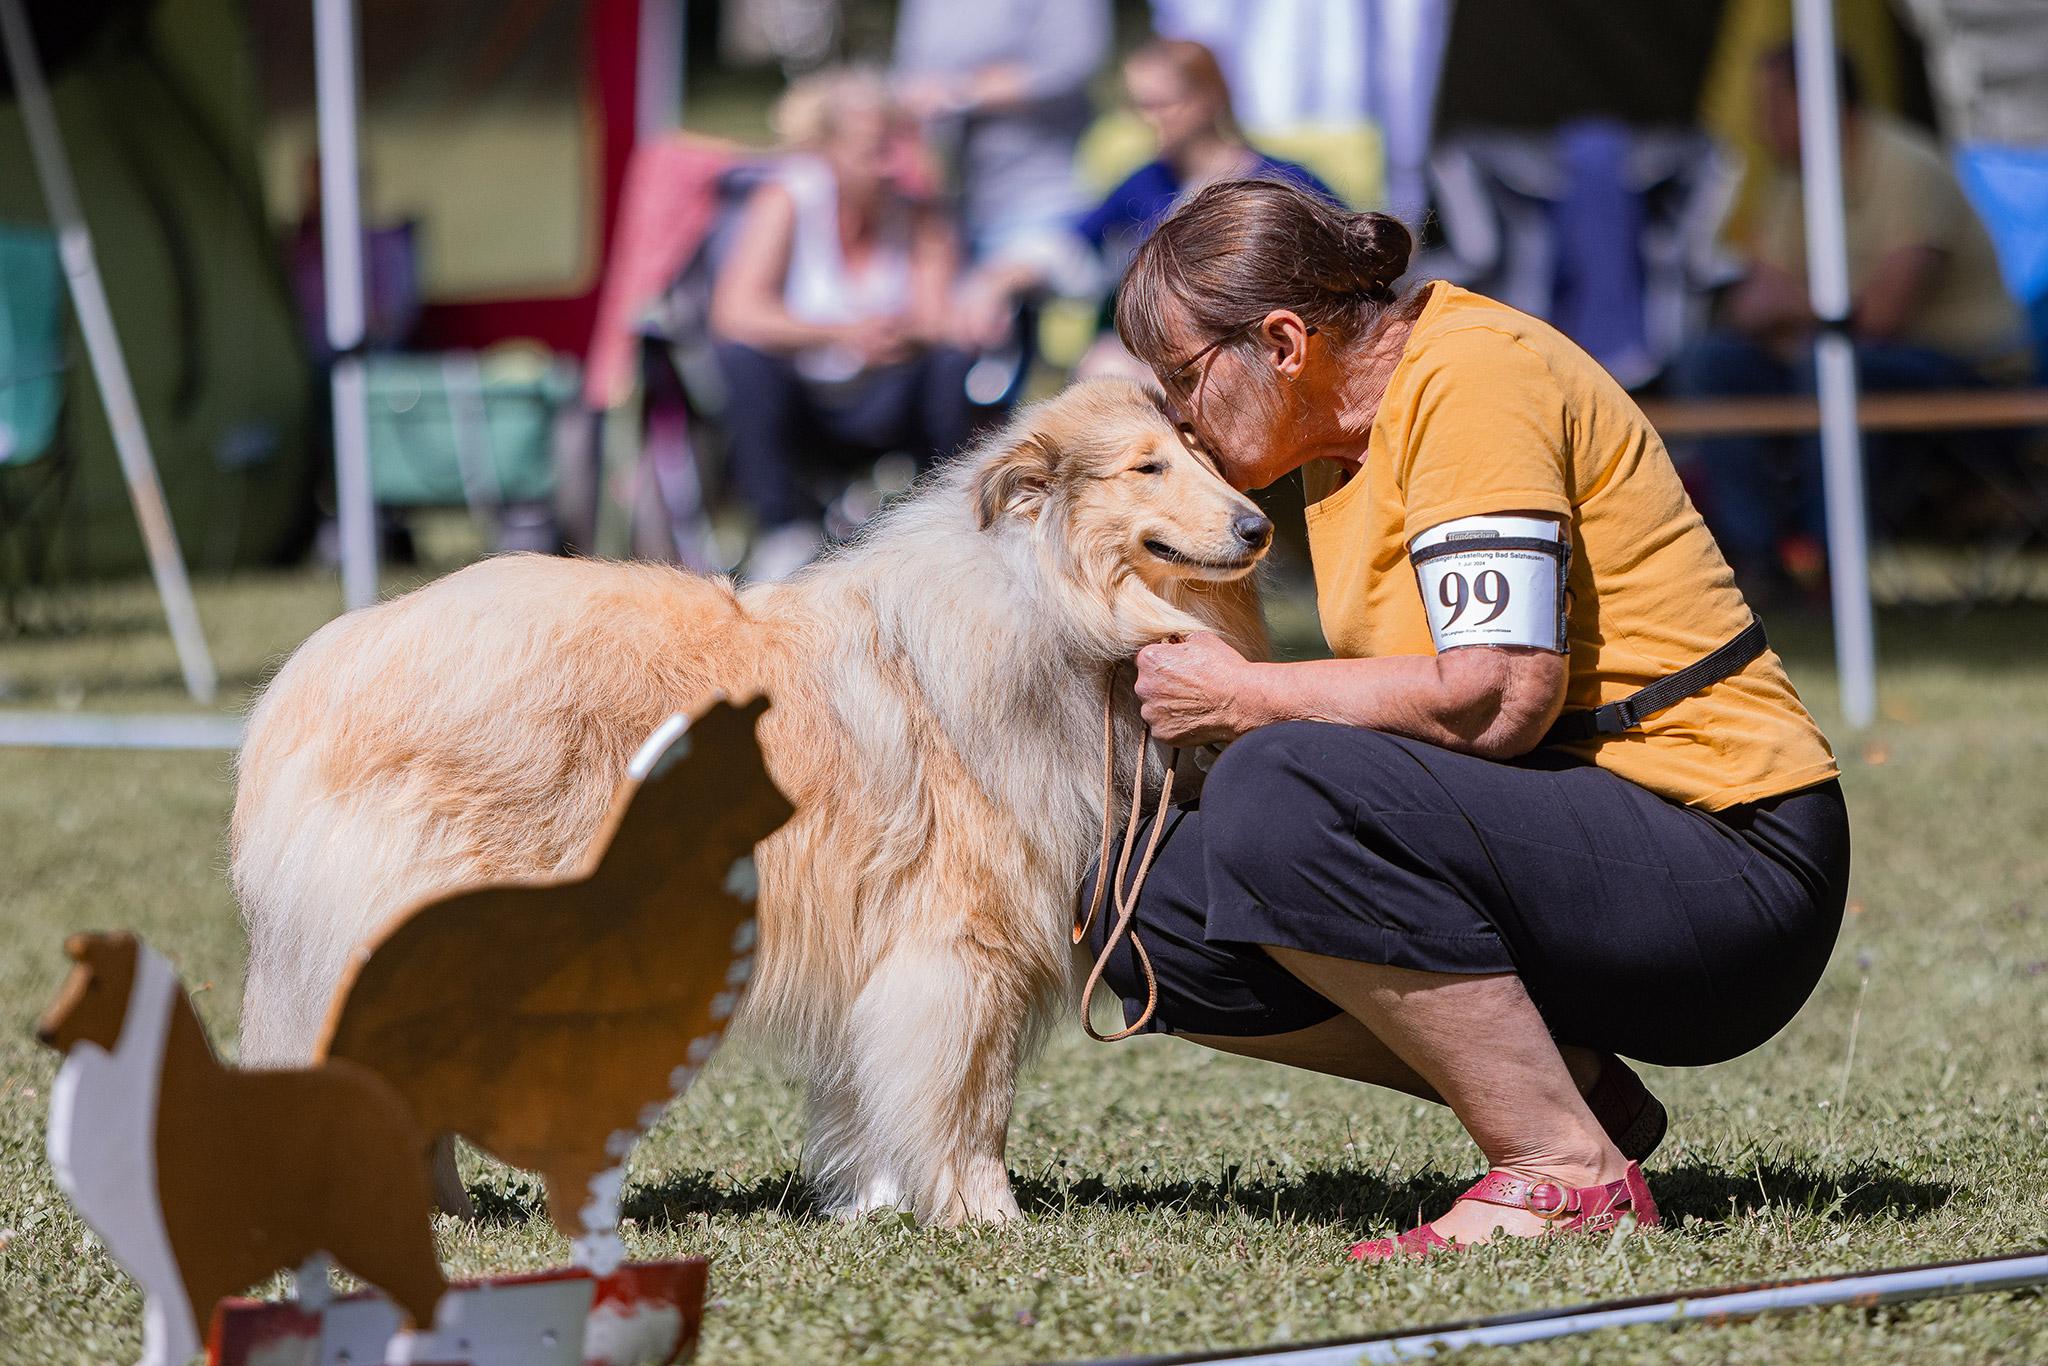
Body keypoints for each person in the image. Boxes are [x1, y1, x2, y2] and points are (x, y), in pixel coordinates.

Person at [1092, 177, 1849, 1258]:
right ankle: (1582, 1098)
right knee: (1131, 902)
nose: (1175, 413)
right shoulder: (1329, 438)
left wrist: (1248, 699)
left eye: (1181, 378)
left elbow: (1496, 695)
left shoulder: (1468, 376)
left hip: (1733, 858)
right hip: (1582, 827)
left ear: (1281, 341)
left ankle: (1560, 1167)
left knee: (1278, 783)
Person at [1669, 45, 2031, 592]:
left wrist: (1794, 306)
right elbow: (1749, 309)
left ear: (1819, 103)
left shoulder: (1908, 167)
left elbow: (1883, 318)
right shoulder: (1792, 183)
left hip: (1974, 377)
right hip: (1840, 361)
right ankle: (1753, 559)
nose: (1761, 126)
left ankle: (1830, 563)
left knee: (1829, 365)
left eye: (1772, 106)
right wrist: (1802, 309)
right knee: (1713, 361)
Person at [709, 70, 996, 581]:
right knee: (742, 356)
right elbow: (735, 311)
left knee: (951, 361)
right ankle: (782, 528)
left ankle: (951, 519)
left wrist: (905, 332)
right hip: (803, 404)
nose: (890, 167)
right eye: (873, 151)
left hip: (887, 399)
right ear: (828, 152)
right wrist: (840, 333)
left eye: (897, 148)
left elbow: (941, 319)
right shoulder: (786, 202)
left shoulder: (918, 213)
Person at [1072, 38, 1338, 381]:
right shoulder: (1145, 183)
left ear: (1207, 99)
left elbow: (1350, 249)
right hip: (1162, 357)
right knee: (1104, 365)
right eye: (1139, 106)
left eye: (1160, 105)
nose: (1146, 120)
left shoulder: (1279, 182)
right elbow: (1073, 242)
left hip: (1259, 352)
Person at [893, 0, 1110, 354]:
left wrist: (958, 94)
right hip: (955, 202)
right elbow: (908, 80)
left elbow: (1072, 64)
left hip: (1047, 193)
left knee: (998, 322)